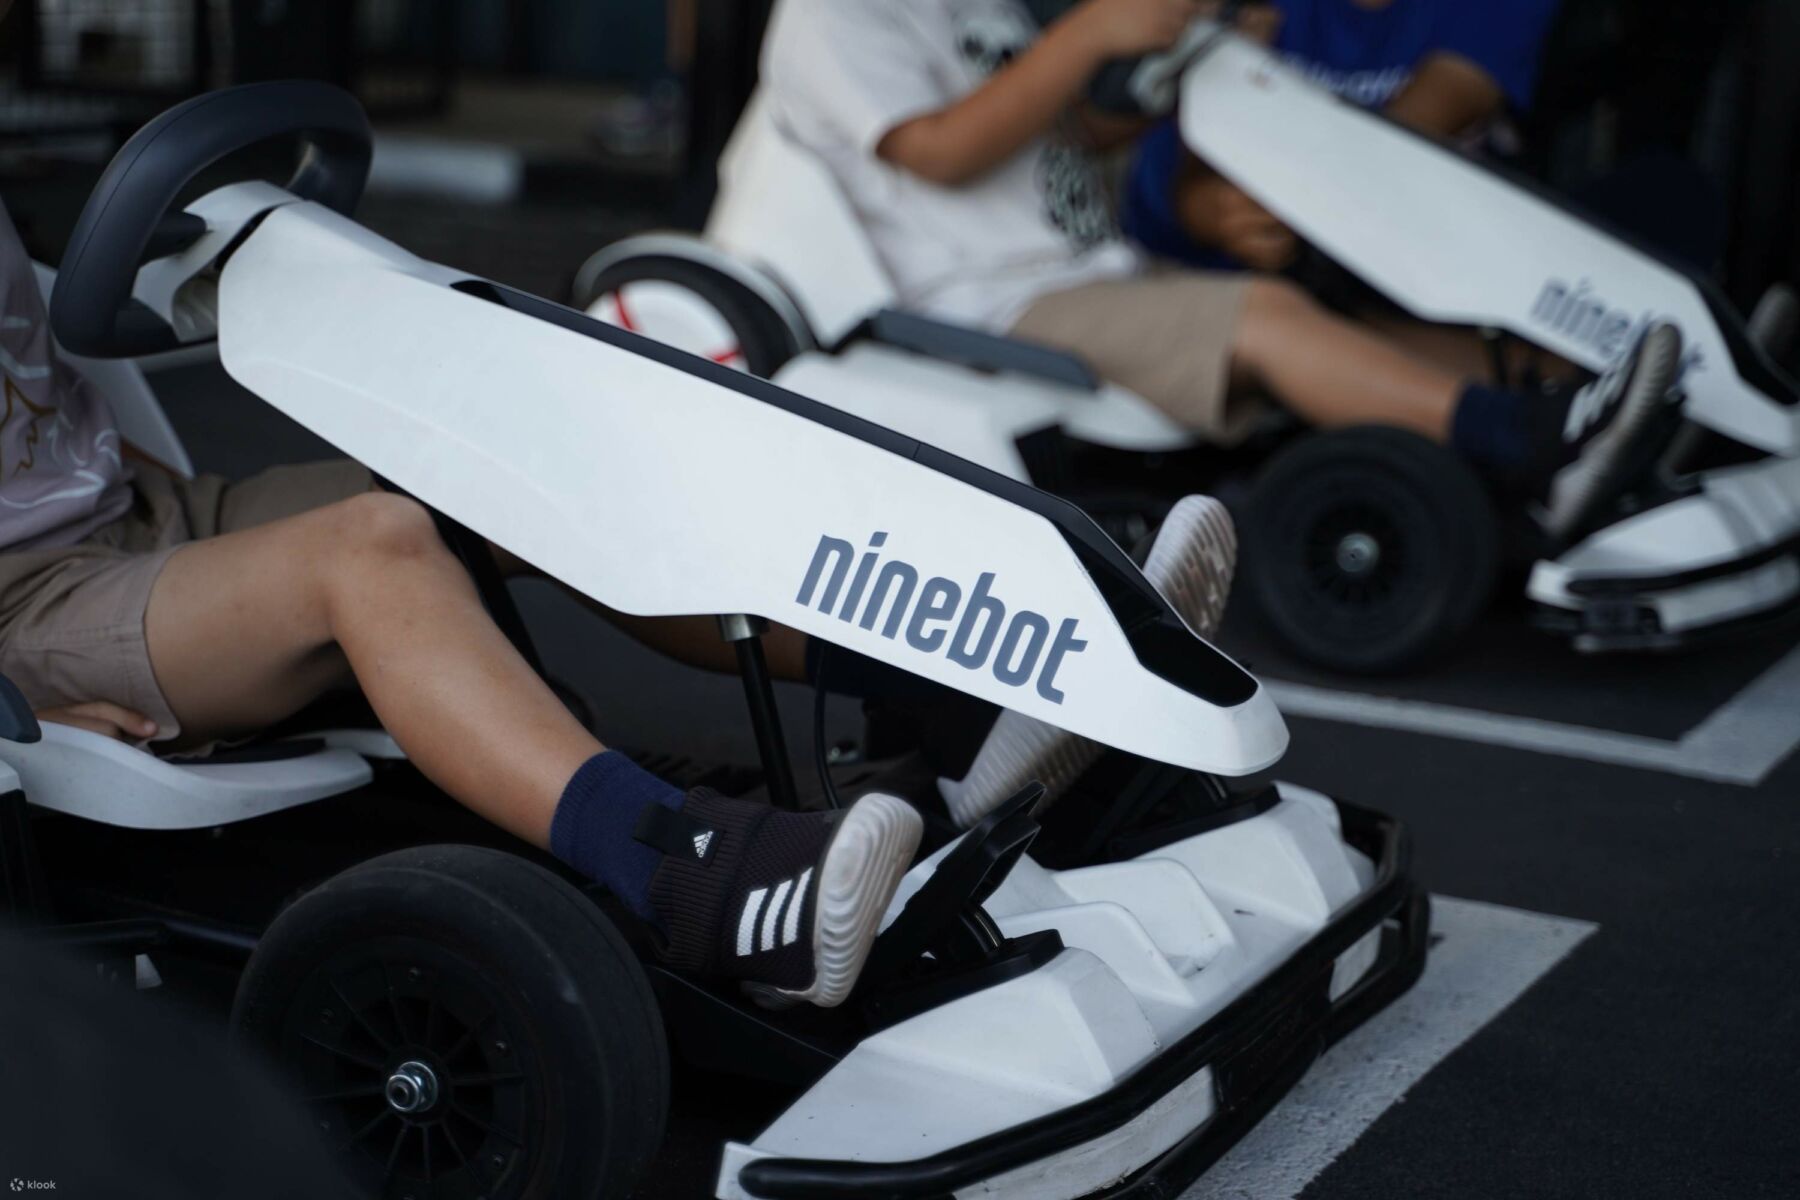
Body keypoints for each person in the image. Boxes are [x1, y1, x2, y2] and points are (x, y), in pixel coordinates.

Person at [0, 197, 922, 1009]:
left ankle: (933, 695)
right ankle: (694, 878)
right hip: (28, 604)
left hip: (139, 513)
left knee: (498, 476)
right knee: (368, 552)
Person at [761, 0, 1679, 536]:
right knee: (1262, 317)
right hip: (984, 301)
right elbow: (935, 151)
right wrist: (1083, 37)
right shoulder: (833, 13)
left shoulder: (974, 6)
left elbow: (1066, 127)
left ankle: (1586, 417)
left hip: (1080, 271)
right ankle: (1524, 447)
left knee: (1296, 318)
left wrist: (1170, 57)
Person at [1122, 0, 1564, 273]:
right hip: (1174, 245)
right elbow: (1188, 174)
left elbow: (1402, 138)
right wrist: (1209, 212)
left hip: (1375, 267)